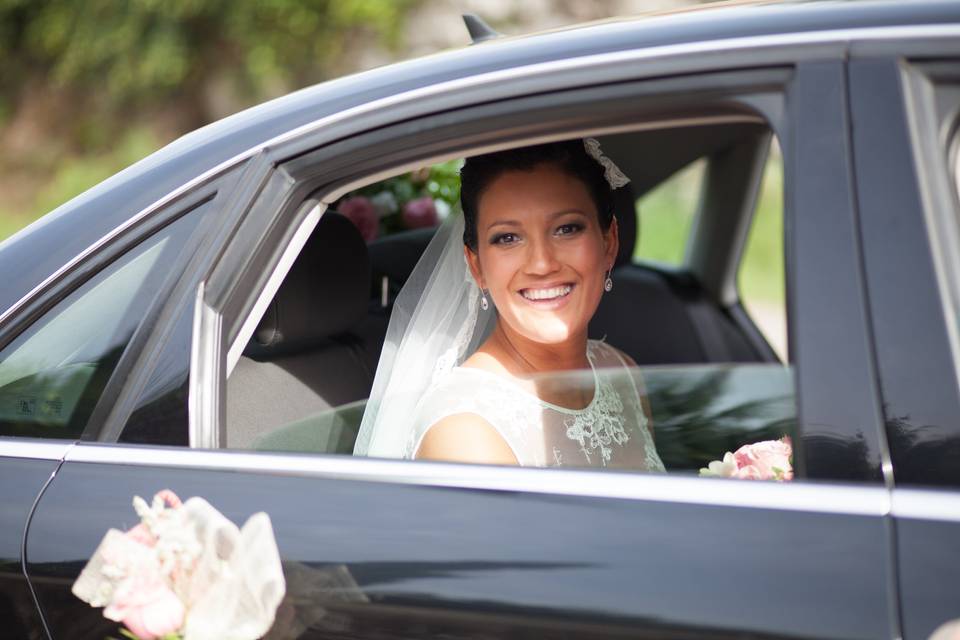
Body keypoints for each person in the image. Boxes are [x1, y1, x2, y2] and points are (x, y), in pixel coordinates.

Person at [353, 138, 665, 472]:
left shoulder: (622, 373)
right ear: (477, 267)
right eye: (507, 238)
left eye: (566, 228)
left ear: (609, 242)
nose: (542, 263)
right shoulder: (465, 433)